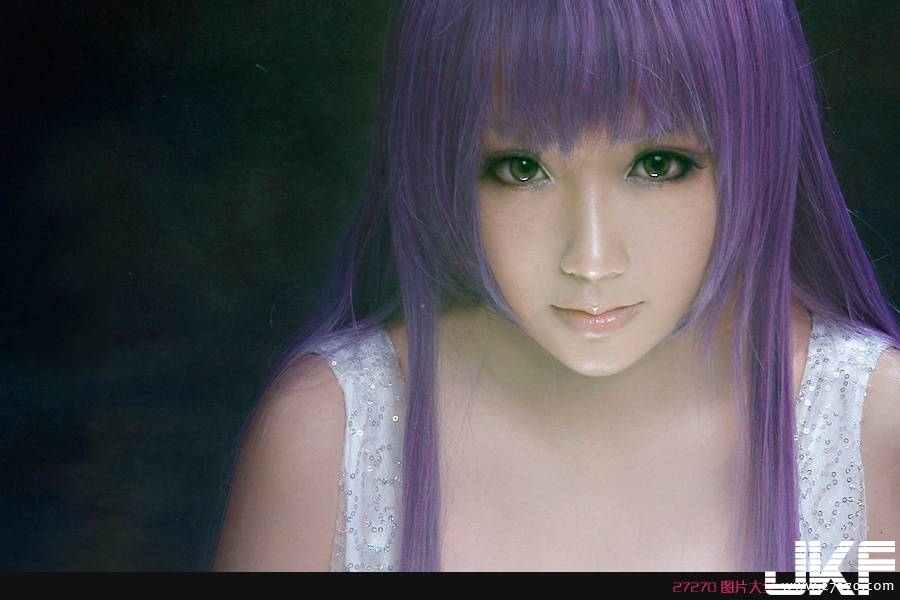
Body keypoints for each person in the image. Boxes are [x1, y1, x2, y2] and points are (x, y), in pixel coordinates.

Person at [212, 0, 900, 572]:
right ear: (441, 167)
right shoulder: (332, 435)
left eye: (658, 164)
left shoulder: (872, 428)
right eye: (520, 169)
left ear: (760, 149)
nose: (591, 259)